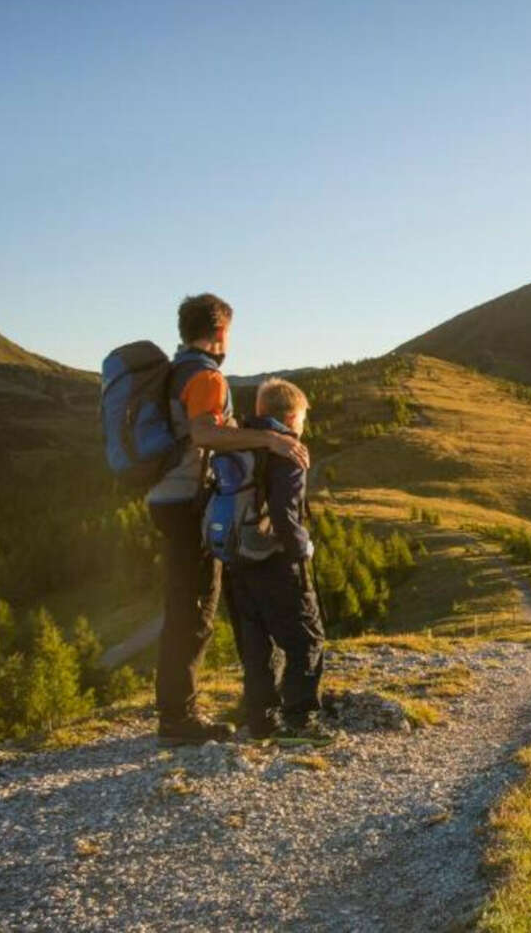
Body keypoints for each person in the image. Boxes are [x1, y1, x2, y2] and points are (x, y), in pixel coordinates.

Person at [147, 294, 309, 745]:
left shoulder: (175, 369)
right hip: (187, 502)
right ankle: (178, 720)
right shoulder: (205, 375)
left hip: (165, 497)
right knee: (194, 608)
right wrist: (270, 441)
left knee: (185, 603)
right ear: (220, 332)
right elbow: (204, 433)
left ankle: (177, 711)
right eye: (230, 332)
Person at [224, 377, 329, 743]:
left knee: (256, 646)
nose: (302, 426)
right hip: (275, 558)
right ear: (289, 416)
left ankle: (261, 721)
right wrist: (303, 550)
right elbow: (286, 514)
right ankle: (301, 722)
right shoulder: (289, 451)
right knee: (306, 640)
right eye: (301, 418)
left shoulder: (235, 441)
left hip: (237, 558)